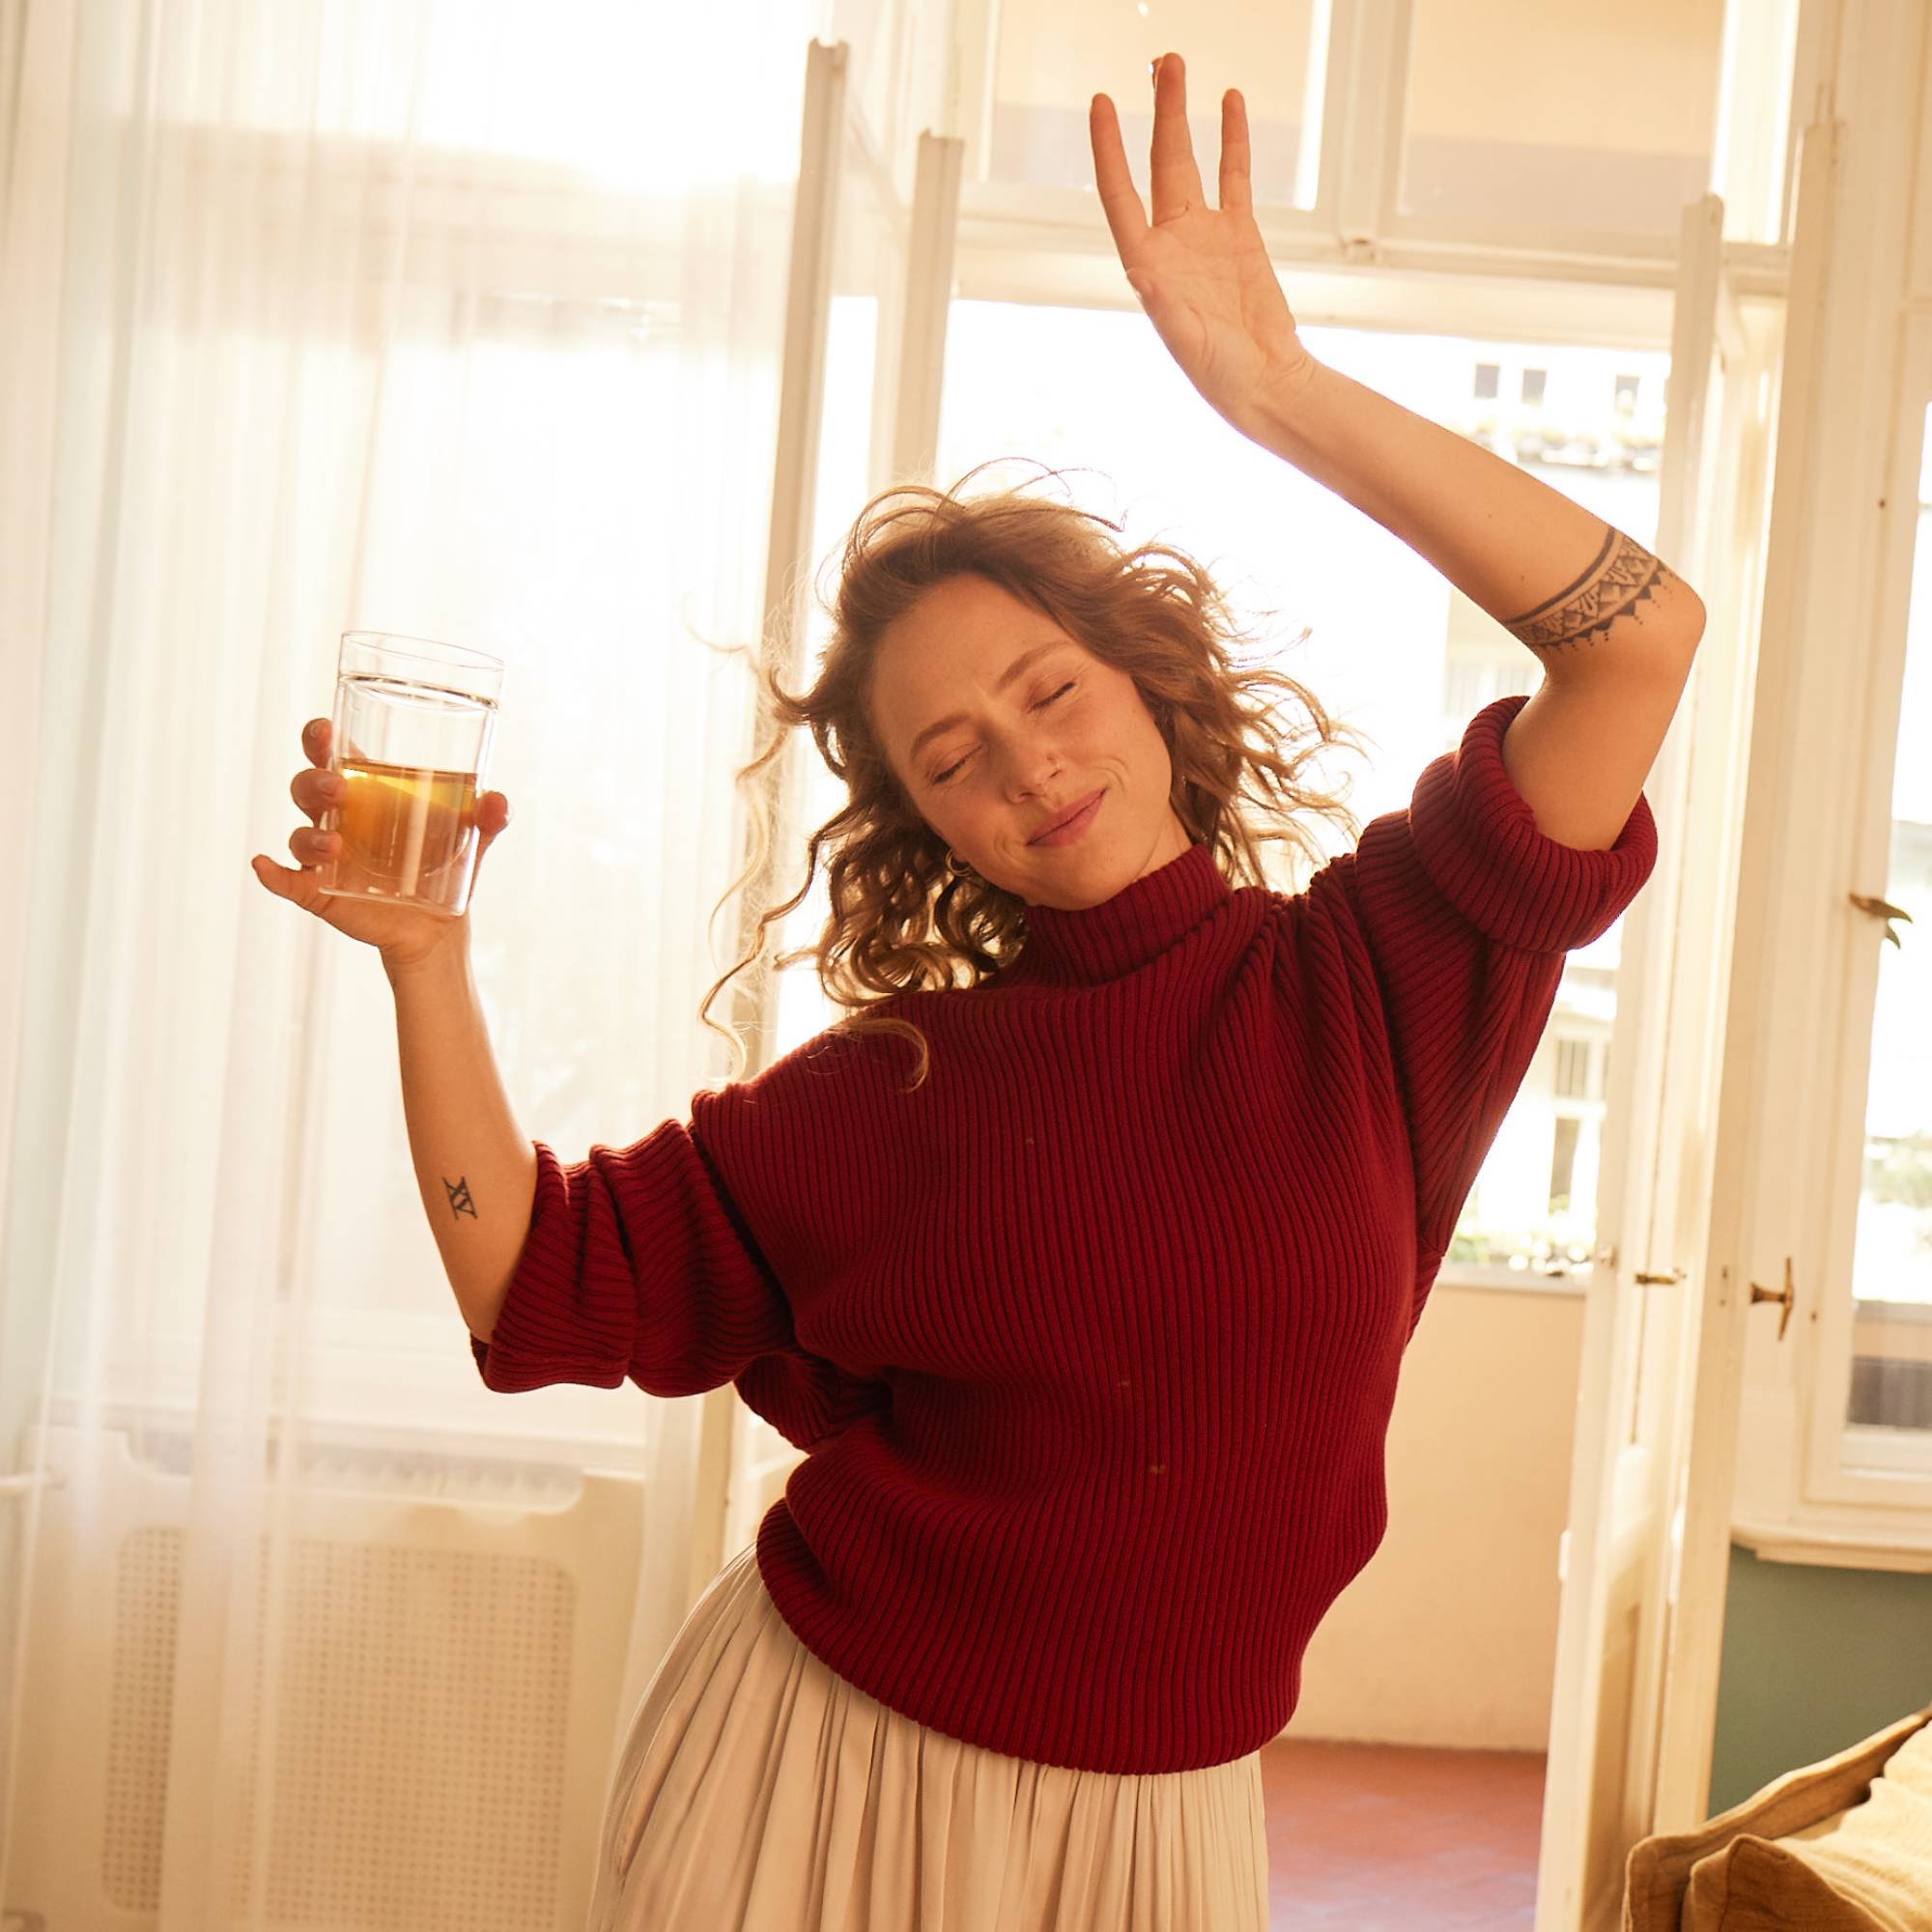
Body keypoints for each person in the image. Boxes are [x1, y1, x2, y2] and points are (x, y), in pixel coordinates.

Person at [252, 50, 1699, 1932]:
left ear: (1145, 672)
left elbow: (1637, 641)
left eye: (1045, 687)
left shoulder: (1374, 979)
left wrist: (1271, 383)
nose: (1021, 761)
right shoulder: (899, 1085)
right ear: (933, 828)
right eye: (948, 756)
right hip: (819, 1769)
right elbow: (534, 1280)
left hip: (1164, 1818)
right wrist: (426, 966)